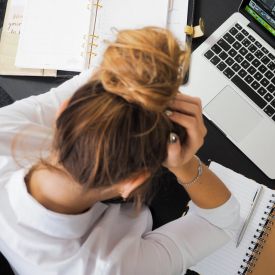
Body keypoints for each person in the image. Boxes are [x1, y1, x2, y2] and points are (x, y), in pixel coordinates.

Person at [0, 27, 240, 275]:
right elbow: (220, 223)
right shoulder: (113, 268)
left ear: (61, 113)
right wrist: (185, 164)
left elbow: (93, 79)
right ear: (132, 183)